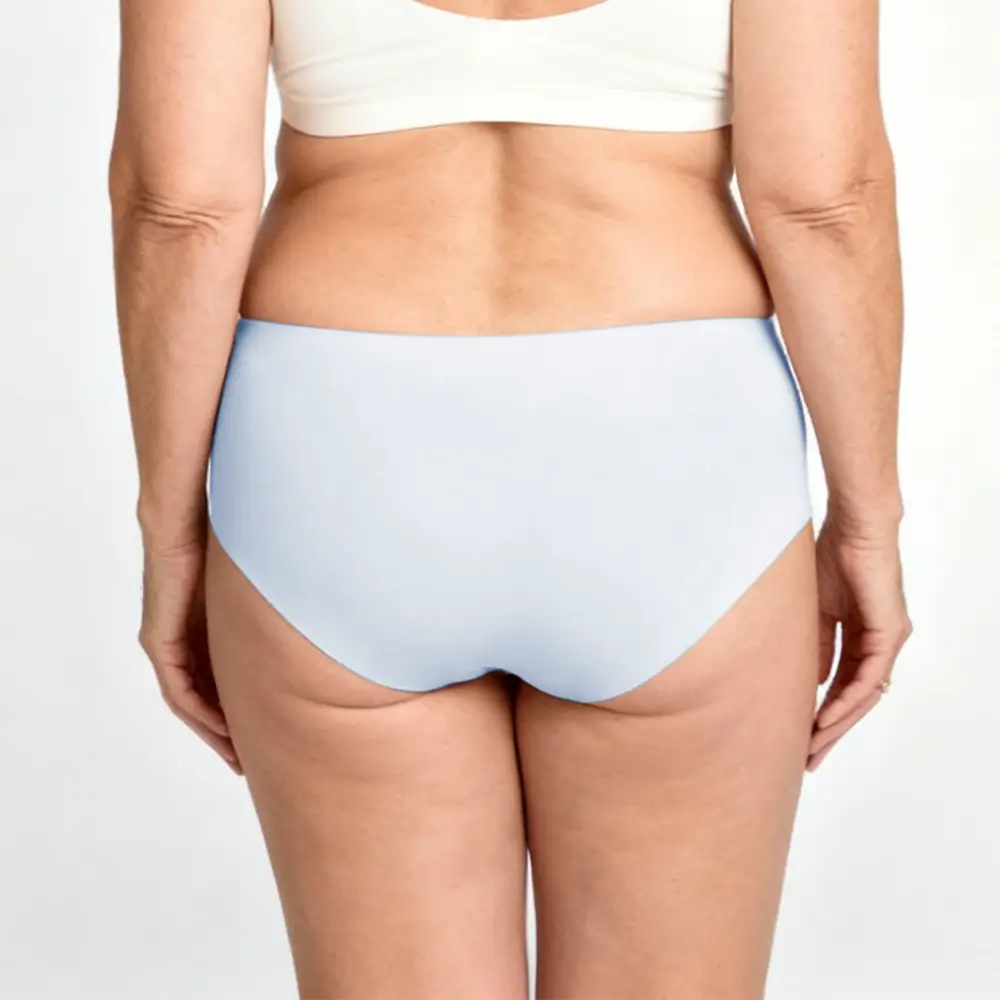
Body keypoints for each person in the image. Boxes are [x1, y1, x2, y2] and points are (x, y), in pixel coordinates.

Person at [108, 0, 912, 996]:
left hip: (341, 451)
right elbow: (825, 200)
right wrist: (867, 519)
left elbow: (180, 206)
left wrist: (171, 531)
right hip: (668, 446)